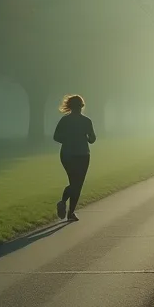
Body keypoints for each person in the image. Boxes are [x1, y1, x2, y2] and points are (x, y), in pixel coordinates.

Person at [53, 94, 97, 222]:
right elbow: (92, 139)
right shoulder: (87, 121)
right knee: (77, 184)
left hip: (67, 154)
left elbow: (56, 137)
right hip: (83, 154)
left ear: (70, 107)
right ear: (82, 106)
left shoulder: (65, 120)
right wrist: (85, 138)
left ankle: (63, 203)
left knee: (74, 182)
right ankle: (70, 211)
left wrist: (67, 140)